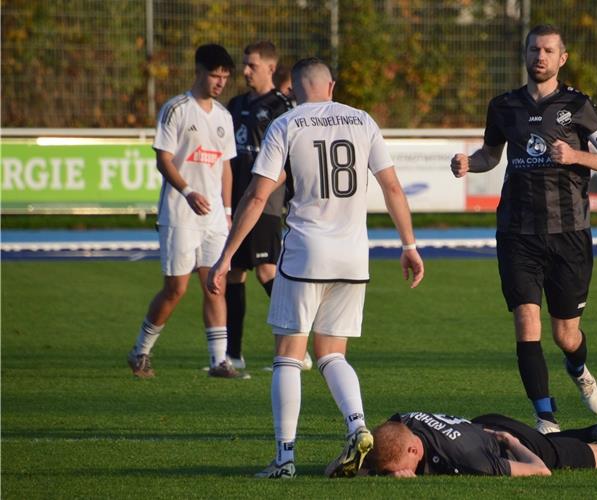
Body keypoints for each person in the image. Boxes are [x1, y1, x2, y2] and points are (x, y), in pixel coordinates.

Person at [207, 57, 425, 479]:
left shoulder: (286, 124)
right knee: (331, 354)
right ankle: (358, 426)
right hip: (352, 256)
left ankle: (284, 459)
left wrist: (226, 255)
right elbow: (393, 187)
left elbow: (256, 197)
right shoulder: (363, 121)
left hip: (307, 251)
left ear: (295, 89)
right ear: (332, 85)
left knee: (288, 357)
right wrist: (409, 245)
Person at [450, 24, 597, 433]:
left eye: (547, 50)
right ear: (525, 55)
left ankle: (579, 369)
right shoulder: (503, 106)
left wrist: (576, 155)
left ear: (562, 58)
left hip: (569, 234)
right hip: (517, 233)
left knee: (566, 335)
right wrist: (467, 164)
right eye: (533, 50)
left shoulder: (579, 105)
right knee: (527, 322)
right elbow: (490, 155)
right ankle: (546, 417)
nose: (539, 57)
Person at [126, 44, 240, 379]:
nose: (220, 82)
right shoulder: (176, 109)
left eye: (224, 77)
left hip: (215, 216)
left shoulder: (223, 116)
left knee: (215, 283)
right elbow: (163, 159)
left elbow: (226, 167)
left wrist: (229, 210)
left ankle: (219, 360)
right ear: (199, 71)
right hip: (180, 212)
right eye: (215, 75)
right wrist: (188, 192)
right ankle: (140, 352)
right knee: (176, 288)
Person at [224, 41, 312, 375]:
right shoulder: (234, 105)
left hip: (267, 203)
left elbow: (291, 158)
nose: (245, 71)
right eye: (244, 64)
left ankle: (298, 347)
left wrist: (263, 190)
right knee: (235, 272)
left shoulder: (284, 106)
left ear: (270, 68)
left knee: (266, 270)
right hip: (239, 200)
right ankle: (233, 355)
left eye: (252, 65)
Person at [366, 406, 597, 477]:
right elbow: (384, 440)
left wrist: (511, 441)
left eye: (401, 466)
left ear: (413, 448)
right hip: (487, 423)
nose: (397, 474)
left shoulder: (469, 460)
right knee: (558, 444)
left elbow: (540, 471)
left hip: (507, 441)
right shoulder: (405, 421)